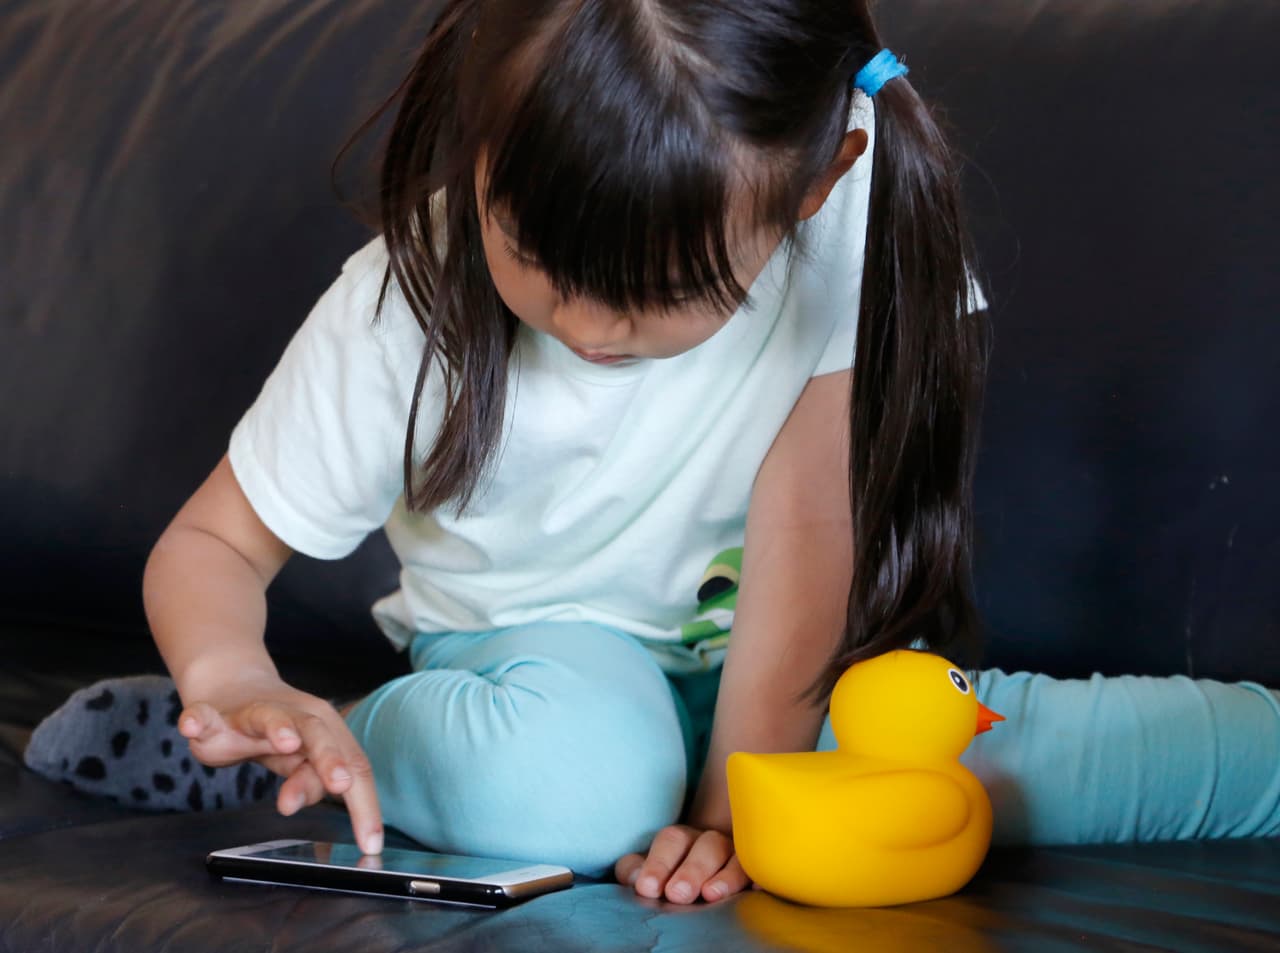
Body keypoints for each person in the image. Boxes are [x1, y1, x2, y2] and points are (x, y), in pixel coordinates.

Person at [26, 0, 1280, 907]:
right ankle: (332, 741)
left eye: (660, 291)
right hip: (540, 677)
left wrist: (741, 804)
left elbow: (807, 535)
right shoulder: (403, 299)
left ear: (810, 183)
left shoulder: (851, 203)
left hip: (789, 672)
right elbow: (213, 541)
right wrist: (234, 670)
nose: (587, 326)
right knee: (590, 783)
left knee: (1194, 760)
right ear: (478, 153)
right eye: (541, 262)